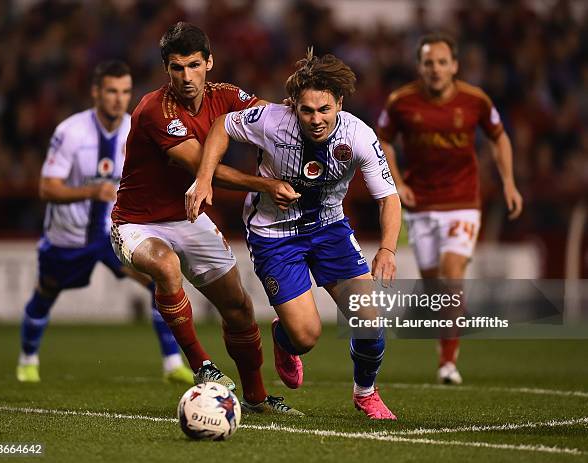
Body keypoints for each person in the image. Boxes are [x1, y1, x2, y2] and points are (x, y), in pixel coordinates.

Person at [187, 50, 402, 420]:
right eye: (306, 111)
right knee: (305, 337)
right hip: (275, 235)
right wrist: (204, 177)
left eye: (324, 110)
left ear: (339, 103)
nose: (316, 120)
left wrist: (387, 248)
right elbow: (223, 125)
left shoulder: (360, 136)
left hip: (330, 229)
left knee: (369, 321)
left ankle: (366, 393)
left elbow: (389, 198)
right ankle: (285, 339)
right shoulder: (272, 121)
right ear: (293, 106)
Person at [111, 22, 302, 415]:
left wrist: (304, 107)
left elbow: (273, 116)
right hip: (136, 223)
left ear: (209, 63)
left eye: (194, 65)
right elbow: (205, 168)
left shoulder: (226, 95)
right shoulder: (153, 110)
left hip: (188, 214)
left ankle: (257, 398)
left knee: (238, 308)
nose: (186, 76)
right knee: (166, 266)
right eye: (177, 68)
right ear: (166, 69)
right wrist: (267, 184)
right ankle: (203, 367)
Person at [17, 60, 193, 385]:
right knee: (46, 293)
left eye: (125, 92)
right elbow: (47, 188)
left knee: (159, 282)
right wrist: (91, 190)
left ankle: (172, 363)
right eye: (111, 91)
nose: (118, 99)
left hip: (114, 233)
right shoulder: (70, 132)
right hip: (69, 237)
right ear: (96, 92)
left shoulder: (136, 129)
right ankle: (28, 360)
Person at [376, 33, 523, 384]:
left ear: (455, 66)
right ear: (419, 67)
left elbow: (499, 136)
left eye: (442, 62)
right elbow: (382, 140)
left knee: (450, 272)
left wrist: (508, 182)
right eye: (429, 63)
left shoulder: (475, 101)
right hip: (420, 203)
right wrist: (397, 182)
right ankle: (454, 315)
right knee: (434, 284)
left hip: (462, 202)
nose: (436, 69)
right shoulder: (401, 102)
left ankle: (447, 362)